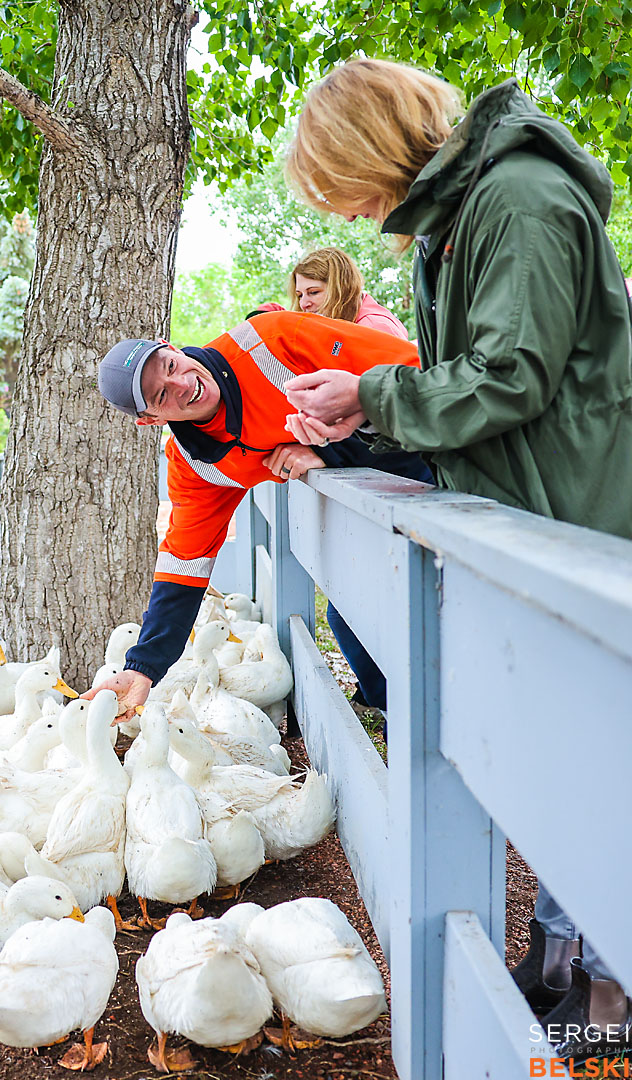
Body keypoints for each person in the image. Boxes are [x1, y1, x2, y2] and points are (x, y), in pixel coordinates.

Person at [282, 59, 632, 1059]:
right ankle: (566, 957)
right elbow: (463, 384)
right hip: (529, 510)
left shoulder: (515, 199)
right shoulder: (454, 219)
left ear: (371, 151)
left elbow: (511, 373)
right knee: (560, 758)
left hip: (578, 514)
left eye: (335, 182)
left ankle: (608, 1000)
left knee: (595, 763)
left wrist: (376, 396)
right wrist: (367, 416)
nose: (342, 212)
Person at [86, 310, 421, 729]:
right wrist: (143, 666)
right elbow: (184, 562)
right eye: (160, 396)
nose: (183, 384)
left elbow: (414, 374)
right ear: (151, 420)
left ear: (172, 348)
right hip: (383, 513)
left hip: (444, 469)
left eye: (170, 366)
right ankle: (406, 721)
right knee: (354, 615)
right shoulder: (194, 463)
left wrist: (328, 454)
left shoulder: (274, 340)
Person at [252, 248, 431, 717]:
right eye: (299, 294)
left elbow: (378, 420)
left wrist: (319, 450)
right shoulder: (330, 333)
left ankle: (392, 706)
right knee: (351, 607)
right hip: (376, 481)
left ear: (342, 286)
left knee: (355, 611)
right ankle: (385, 700)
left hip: (399, 483)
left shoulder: (372, 330)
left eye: (315, 292)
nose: (305, 302)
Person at [289, 247, 408, 337]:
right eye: (299, 295)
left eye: (314, 292)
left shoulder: (374, 327)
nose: (303, 304)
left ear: (341, 289)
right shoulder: (349, 320)